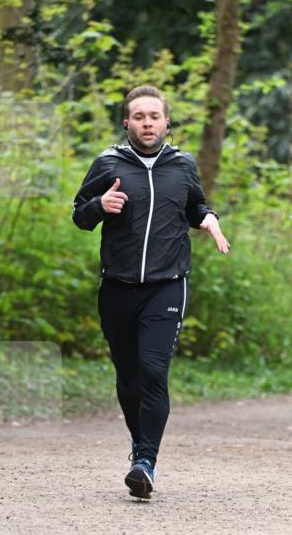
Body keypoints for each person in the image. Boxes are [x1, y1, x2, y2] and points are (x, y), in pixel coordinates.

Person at [72, 85, 229, 498]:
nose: (147, 123)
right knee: (128, 377)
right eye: (138, 116)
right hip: (117, 287)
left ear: (166, 121)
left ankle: (146, 461)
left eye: (154, 116)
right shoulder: (107, 163)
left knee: (153, 370)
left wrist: (208, 219)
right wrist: (98, 206)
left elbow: (195, 205)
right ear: (127, 122)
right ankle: (139, 446)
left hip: (167, 284)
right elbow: (79, 215)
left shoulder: (182, 164)